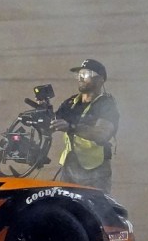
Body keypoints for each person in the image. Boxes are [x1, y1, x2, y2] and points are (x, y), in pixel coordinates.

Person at [50, 59, 119, 193]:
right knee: (67, 207)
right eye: (79, 74)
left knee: (95, 209)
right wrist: (43, 114)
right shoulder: (71, 102)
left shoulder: (106, 105)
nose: (81, 78)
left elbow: (102, 133)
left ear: (100, 80)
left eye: (86, 74)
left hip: (95, 170)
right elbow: (53, 122)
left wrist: (71, 127)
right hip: (69, 166)